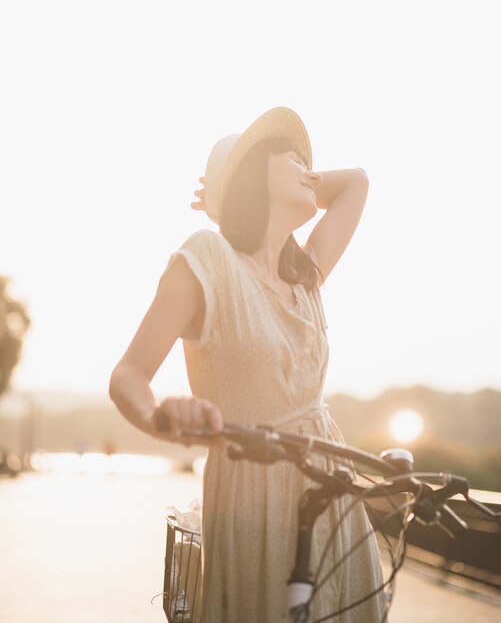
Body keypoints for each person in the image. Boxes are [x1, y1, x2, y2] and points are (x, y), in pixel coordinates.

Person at [109, 107, 386, 622]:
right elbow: (127, 376)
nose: (311, 170)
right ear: (253, 172)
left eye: (311, 164)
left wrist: (274, 183)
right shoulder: (209, 258)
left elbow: (357, 183)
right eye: (294, 158)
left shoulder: (305, 273)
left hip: (334, 497)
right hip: (254, 502)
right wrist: (162, 416)